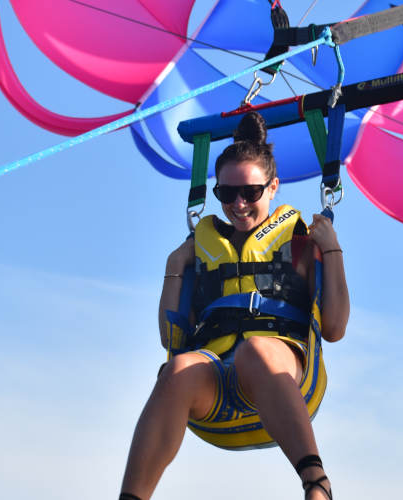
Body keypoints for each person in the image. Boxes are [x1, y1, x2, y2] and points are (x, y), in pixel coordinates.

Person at [118, 112, 350, 500]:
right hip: (217, 388)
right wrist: (174, 267)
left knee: (254, 350)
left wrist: (331, 248)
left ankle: (316, 483)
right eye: (226, 194)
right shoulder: (201, 247)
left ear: (273, 186)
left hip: (283, 374)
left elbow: (335, 328)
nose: (238, 204)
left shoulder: (300, 240)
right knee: (176, 369)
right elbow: (170, 337)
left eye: (250, 193)